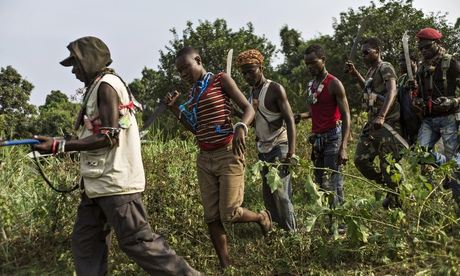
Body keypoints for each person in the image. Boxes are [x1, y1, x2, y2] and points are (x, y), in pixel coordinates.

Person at [34, 36, 200, 276]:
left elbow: (109, 136)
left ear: (90, 60)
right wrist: (58, 143)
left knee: (139, 242)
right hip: (97, 185)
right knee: (86, 243)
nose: (73, 71)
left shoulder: (107, 86)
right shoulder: (97, 86)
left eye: (75, 64)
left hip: (116, 184)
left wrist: (59, 147)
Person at [164, 47, 272, 269]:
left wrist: (242, 126)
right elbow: (196, 128)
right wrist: (175, 110)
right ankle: (226, 267)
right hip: (205, 158)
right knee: (211, 217)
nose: (183, 73)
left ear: (198, 61)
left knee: (230, 213)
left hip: (227, 153)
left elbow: (247, 108)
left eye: (186, 67)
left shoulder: (221, 80)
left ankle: (261, 217)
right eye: (179, 71)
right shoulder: (193, 94)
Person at [236, 49, 297, 232]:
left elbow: (289, 120)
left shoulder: (275, 89)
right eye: (244, 73)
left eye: (251, 71)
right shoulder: (251, 93)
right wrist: (237, 113)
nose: (247, 76)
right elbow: (255, 121)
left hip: (280, 146)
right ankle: (276, 231)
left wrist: (291, 153)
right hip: (263, 149)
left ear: (261, 67)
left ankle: (292, 233)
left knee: (280, 193)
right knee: (269, 194)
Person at [345, 37, 405, 209]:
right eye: (362, 53)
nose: (363, 56)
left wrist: (382, 116)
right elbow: (368, 89)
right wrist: (355, 72)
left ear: (377, 51)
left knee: (388, 166)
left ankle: (398, 202)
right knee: (360, 160)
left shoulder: (385, 66)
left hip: (388, 125)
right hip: (372, 126)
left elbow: (392, 91)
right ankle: (391, 189)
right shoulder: (371, 71)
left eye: (367, 52)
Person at [296, 44, 351, 210]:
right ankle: (329, 219)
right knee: (320, 183)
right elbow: (316, 112)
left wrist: (344, 146)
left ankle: (340, 223)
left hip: (333, 138)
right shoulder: (311, 85)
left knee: (335, 182)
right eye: (307, 64)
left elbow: (346, 114)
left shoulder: (334, 84)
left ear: (323, 60)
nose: (310, 67)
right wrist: (300, 116)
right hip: (317, 140)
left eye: (313, 62)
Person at [413, 27, 460, 207]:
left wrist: (452, 101)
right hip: (429, 119)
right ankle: (443, 164)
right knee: (420, 155)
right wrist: (416, 99)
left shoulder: (451, 63)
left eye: (427, 46)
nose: (423, 50)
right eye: (421, 48)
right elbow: (419, 94)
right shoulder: (421, 68)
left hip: (449, 118)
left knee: (455, 168)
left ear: (437, 44)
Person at [397, 50, 421, 146]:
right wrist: (404, 89)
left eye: (404, 60)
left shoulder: (421, 75)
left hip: (421, 122)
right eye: (400, 61)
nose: (401, 63)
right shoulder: (402, 79)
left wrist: (417, 87)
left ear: (414, 62)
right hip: (407, 124)